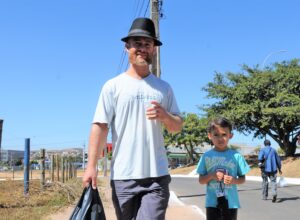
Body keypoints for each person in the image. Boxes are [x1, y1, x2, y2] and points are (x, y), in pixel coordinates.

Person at [82, 17, 183, 220]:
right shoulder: (113, 86)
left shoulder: (164, 88)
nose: (142, 48)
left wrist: (165, 116)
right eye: (137, 43)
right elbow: (100, 126)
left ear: (154, 49)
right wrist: (91, 166)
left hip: (157, 176)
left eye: (148, 44)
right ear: (126, 47)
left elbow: (177, 126)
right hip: (123, 177)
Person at [196, 117, 250, 220]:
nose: (220, 138)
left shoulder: (236, 156)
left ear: (231, 135)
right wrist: (212, 175)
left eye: (224, 134)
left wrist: (234, 180)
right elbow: (201, 180)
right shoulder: (206, 156)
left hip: (231, 203)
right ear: (209, 136)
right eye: (216, 135)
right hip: (212, 203)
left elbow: (242, 179)